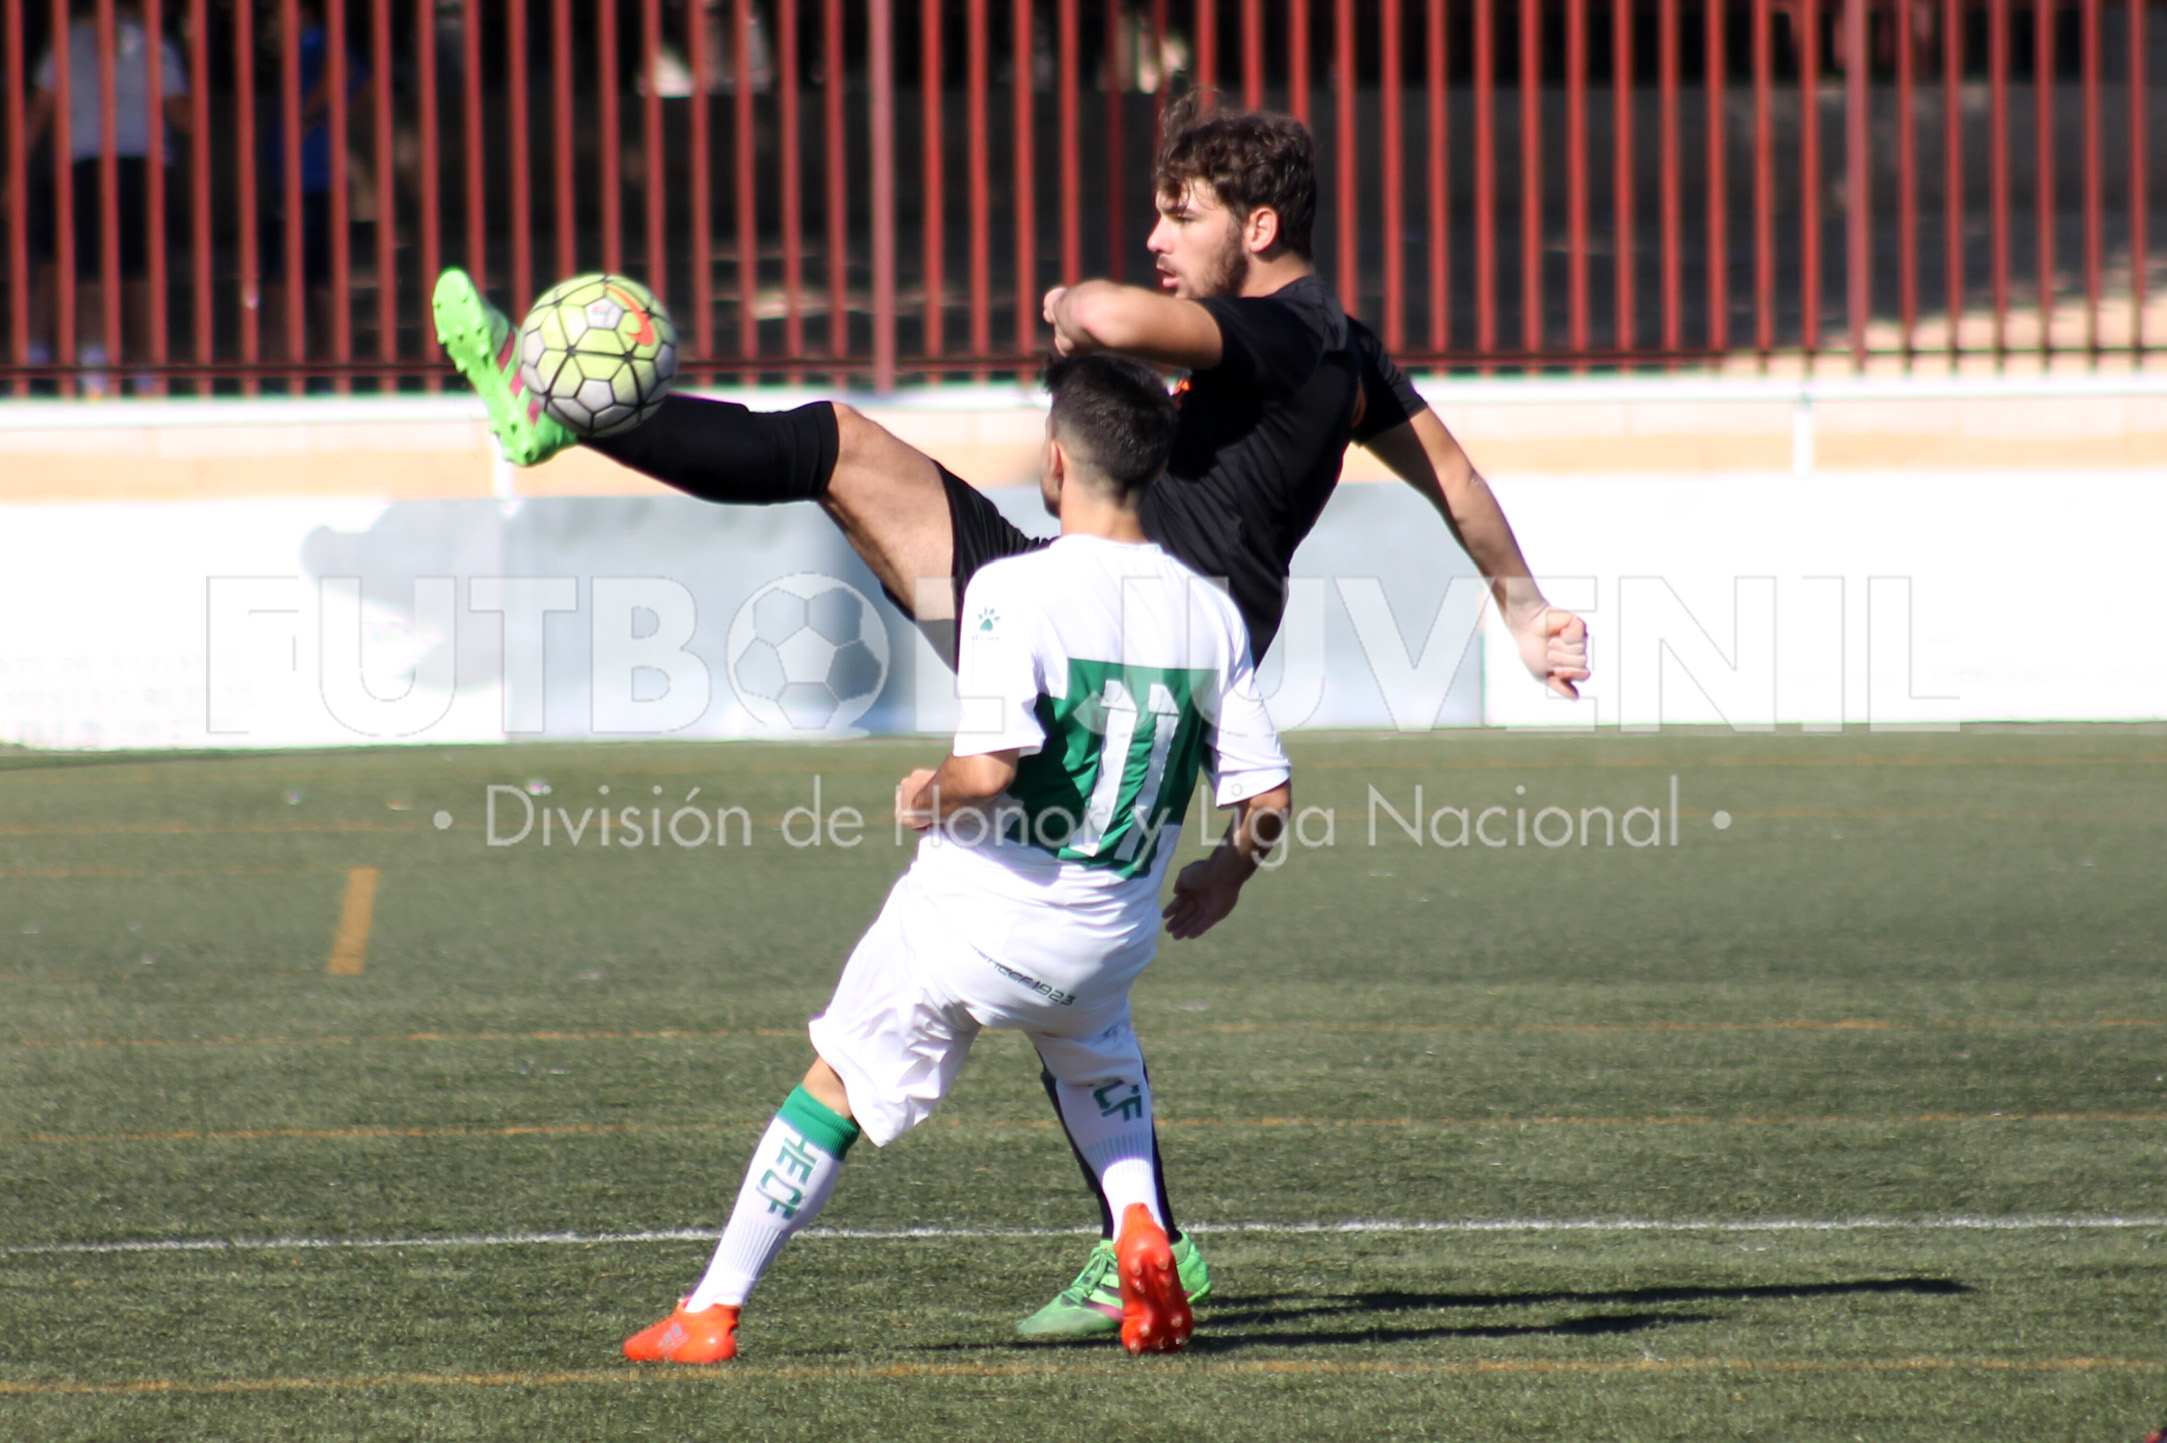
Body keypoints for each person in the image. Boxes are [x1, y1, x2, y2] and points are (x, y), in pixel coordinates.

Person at [434, 98, 1589, 1340]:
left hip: (1102, 619)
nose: (1156, 236)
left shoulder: (1271, 331)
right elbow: (1451, 473)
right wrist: (1522, 609)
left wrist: (1072, 307)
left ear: (1258, 228)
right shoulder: (1347, 350)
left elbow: (1109, 318)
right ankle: (1143, 1242)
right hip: (1153, 635)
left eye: (1180, 214)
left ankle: (570, 412)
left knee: (843, 471)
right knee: (844, 457)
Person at [622, 354, 1293, 1362]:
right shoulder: (1209, 611)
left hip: (976, 923)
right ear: (1154, 468)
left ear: (1056, 461)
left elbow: (985, 771)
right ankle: (1138, 1228)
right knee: (1097, 1061)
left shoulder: (1011, 588)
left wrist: (922, 797)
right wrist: (1224, 874)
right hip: (1106, 941)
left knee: (836, 1084)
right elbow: (1267, 801)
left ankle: (710, 1310)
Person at [23, 0, 191, 394]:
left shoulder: (67, 44)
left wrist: (15, 177)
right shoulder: (155, 46)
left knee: (90, 272)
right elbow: (183, 116)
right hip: (142, 165)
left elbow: (37, 114)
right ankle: (146, 373)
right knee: (141, 273)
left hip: (84, 165)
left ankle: (94, 369)